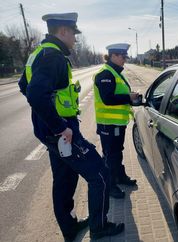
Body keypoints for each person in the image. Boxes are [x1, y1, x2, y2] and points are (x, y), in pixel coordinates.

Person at [18, 12, 124, 241]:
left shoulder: (38, 53)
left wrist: (49, 117)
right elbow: (35, 94)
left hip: (50, 130)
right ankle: (100, 227)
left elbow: (23, 85)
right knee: (101, 174)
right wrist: (59, 127)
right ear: (63, 32)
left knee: (65, 178)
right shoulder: (52, 56)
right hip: (61, 132)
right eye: (74, 35)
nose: (75, 40)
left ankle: (69, 228)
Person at [93, 43, 139, 199]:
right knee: (109, 156)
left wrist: (130, 96)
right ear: (113, 56)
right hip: (108, 124)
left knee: (117, 153)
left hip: (117, 124)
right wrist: (128, 97)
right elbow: (107, 99)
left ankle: (119, 177)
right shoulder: (105, 74)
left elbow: (117, 93)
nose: (125, 59)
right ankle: (110, 186)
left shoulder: (115, 72)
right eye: (122, 56)